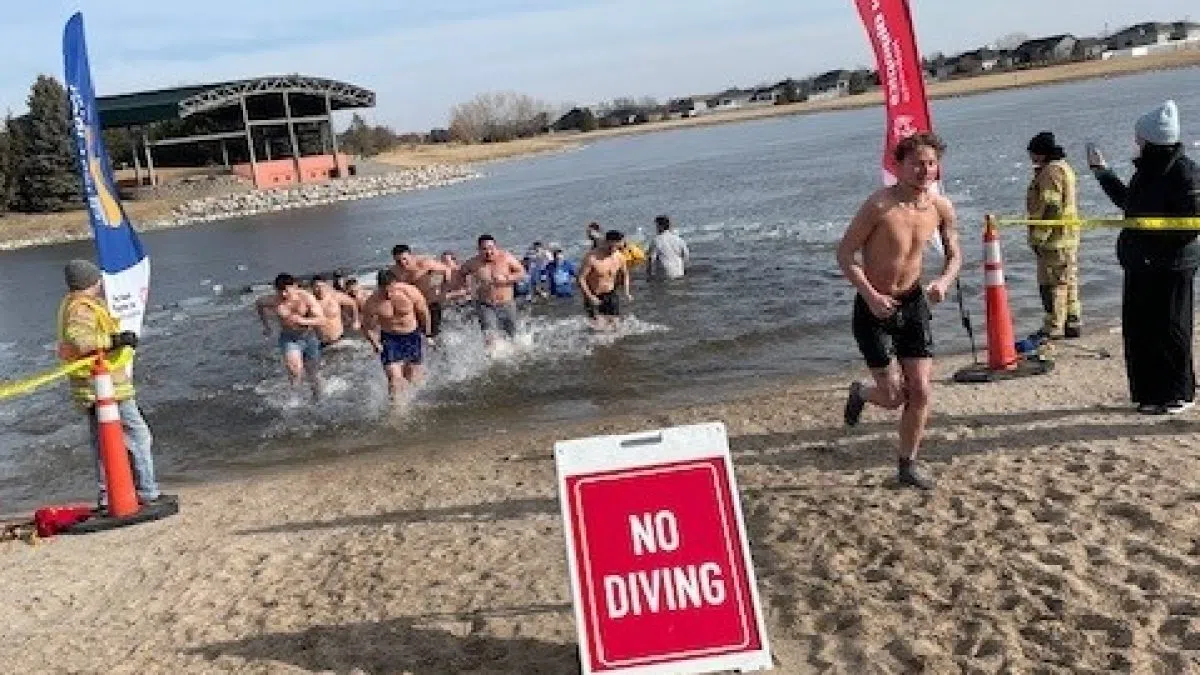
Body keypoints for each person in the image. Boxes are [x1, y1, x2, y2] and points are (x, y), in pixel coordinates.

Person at [836, 133, 962, 490]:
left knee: (920, 390)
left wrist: (944, 281)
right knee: (893, 398)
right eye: (917, 163)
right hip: (873, 305)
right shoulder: (879, 205)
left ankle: (907, 465)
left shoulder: (940, 207)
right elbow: (845, 254)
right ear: (899, 165)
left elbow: (955, 254)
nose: (925, 170)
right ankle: (861, 392)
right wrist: (871, 295)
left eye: (931, 163)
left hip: (913, 302)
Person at [1088, 99, 1200, 415]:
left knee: (1171, 329)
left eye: (1139, 137)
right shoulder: (1147, 171)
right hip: (1140, 264)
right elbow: (1131, 207)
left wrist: (1153, 245)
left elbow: (1189, 226)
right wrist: (1103, 174)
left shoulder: (1184, 172)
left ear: (1151, 138)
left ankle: (1179, 393)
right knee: (1140, 331)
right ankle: (1149, 394)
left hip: (1171, 266)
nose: (1135, 142)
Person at [57, 259, 164, 507]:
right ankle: (147, 490)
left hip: (92, 384)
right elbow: (81, 341)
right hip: (106, 386)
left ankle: (108, 495)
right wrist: (116, 340)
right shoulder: (80, 309)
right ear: (91, 281)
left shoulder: (72, 304)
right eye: (97, 280)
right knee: (138, 435)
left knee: (105, 440)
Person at [1019, 132, 1082, 352]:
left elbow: (1051, 207)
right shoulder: (1064, 168)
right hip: (1068, 237)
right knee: (1068, 279)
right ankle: (1072, 321)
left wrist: (1038, 238)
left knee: (1052, 285)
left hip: (1054, 240)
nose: (1031, 157)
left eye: (1033, 153)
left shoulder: (1051, 172)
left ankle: (1053, 326)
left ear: (1041, 152)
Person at [361, 269, 431, 403]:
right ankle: (396, 410)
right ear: (379, 287)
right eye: (384, 291)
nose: (388, 294)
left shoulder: (410, 292)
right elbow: (366, 327)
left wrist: (427, 334)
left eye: (391, 290)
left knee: (412, 376)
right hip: (390, 339)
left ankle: (413, 402)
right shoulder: (372, 302)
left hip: (412, 336)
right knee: (394, 378)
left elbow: (423, 312)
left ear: (396, 284)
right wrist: (375, 343)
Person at [255, 273, 327, 400]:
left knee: (313, 374)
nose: (283, 294)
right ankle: (295, 401)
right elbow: (259, 304)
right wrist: (266, 326)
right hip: (289, 339)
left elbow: (321, 320)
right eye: (280, 291)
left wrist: (303, 321)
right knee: (295, 370)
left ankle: (318, 398)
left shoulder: (306, 298)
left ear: (294, 286)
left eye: (286, 290)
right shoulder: (273, 300)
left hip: (309, 338)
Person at [455, 234, 527, 348]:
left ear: (496, 247)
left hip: (506, 303)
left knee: (512, 335)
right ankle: (492, 359)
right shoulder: (473, 263)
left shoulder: (506, 258)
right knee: (489, 336)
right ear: (478, 250)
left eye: (491, 248)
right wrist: (465, 287)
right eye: (484, 249)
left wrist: (507, 278)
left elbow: (522, 272)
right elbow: (459, 274)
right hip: (485, 305)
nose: (489, 252)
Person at [392, 245, 456, 341]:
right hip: (412, 307)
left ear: (411, 256)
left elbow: (446, 270)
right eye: (398, 261)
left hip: (430, 302)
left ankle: (441, 352)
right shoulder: (395, 271)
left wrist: (443, 291)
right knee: (415, 334)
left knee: (434, 334)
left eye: (405, 259)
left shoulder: (424, 263)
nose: (403, 263)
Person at [578, 230, 633, 330]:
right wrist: (590, 297)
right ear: (606, 242)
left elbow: (625, 274)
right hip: (594, 295)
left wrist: (626, 292)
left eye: (617, 247)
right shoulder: (592, 258)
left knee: (616, 326)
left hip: (611, 293)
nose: (613, 249)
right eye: (611, 247)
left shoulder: (620, 257)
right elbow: (581, 278)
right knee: (599, 328)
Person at [311, 274, 361, 348]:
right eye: (317, 287)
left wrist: (356, 320)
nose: (320, 289)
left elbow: (352, 303)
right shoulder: (310, 301)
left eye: (322, 286)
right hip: (322, 344)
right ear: (312, 287)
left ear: (326, 285)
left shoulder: (335, 296)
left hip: (341, 340)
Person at [647, 214, 691, 280]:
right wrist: (684, 270)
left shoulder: (656, 240)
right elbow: (686, 256)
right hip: (679, 273)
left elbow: (651, 259)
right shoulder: (679, 239)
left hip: (664, 275)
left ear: (660, 226)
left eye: (656, 226)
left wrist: (649, 275)